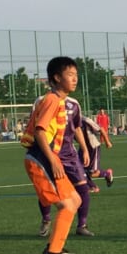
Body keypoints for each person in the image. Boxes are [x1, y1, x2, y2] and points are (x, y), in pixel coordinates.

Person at [22, 56, 82, 254]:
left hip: (47, 157)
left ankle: (55, 246)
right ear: (57, 78)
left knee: (75, 200)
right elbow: (40, 131)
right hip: (40, 158)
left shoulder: (60, 100)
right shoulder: (52, 100)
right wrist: (52, 160)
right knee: (66, 205)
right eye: (70, 75)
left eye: (76, 75)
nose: (75, 79)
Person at [37, 93, 96, 239]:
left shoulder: (74, 104)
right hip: (50, 152)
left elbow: (77, 128)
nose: (74, 81)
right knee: (47, 190)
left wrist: (85, 149)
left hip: (69, 154)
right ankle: (46, 219)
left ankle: (82, 225)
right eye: (70, 79)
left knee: (83, 188)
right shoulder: (42, 101)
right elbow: (37, 128)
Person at [82, 114, 114, 192]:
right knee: (79, 170)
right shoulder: (68, 121)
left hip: (93, 147)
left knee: (92, 173)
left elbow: (100, 129)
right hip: (83, 148)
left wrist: (107, 142)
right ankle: (92, 187)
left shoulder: (85, 120)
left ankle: (106, 174)